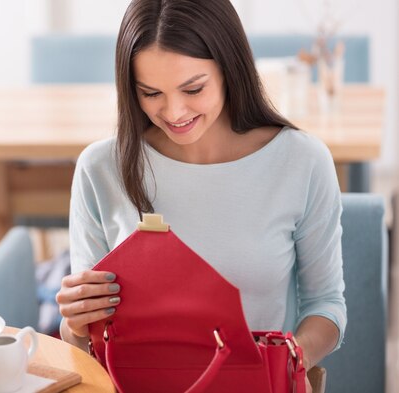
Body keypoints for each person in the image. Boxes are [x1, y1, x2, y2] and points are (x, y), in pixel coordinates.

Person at [55, 0, 346, 391]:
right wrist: (74, 321)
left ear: (230, 68)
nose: (174, 111)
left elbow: (326, 307)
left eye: (193, 88)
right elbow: (88, 339)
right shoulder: (100, 168)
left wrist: (290, 360)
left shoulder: (302, 161)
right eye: (150, 92)